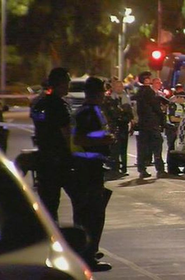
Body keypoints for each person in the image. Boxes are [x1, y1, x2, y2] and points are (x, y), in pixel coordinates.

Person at [71, 76, 115, 272]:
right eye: (103, 93)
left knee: (92, 212)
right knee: (92, 215)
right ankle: (87, 256)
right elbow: (80, 138)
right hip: (87, 168)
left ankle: (89, 251)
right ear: (97, 94)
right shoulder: (87, 113)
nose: (105, 96)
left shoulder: (91, 111)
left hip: (93, 166)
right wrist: (104, 140)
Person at [30, 67, 74, 221]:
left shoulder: (40, 103)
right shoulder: (58, 105)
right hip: (60, 159)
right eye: (67, 82)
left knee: (49, 205)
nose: (69, 85)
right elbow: (66, 133)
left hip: (44, 158)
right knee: (81, 198)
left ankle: (49, 234)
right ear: (60, 83)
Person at [132, 71, 168, 179]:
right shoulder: (149, 92)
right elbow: (155, 107)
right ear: (146, 79)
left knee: (143, 147)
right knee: (157, 146)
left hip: (143, 124)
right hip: (152, 123)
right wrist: (162, 117)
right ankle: (160, 170)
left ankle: (142, 169)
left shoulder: (139, 92)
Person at [102, 78, 134, 178]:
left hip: (123, 125)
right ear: (113, 87)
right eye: (117, 86)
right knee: (115, 148)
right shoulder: (109, 99)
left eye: (121, 86)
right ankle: (115, 168)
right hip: (114, 126)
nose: (120, 88)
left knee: (123, 148)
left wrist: (130, 122)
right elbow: (111, 113)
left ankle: (123, 168)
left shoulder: (126, 97)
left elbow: (129, 113)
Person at [166, 86, 185, 175]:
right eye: (183, 98)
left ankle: (176, 167)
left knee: (177, 148)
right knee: (172, 148)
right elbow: (172, 118)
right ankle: (171, 168)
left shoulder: (183, 106)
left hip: (179, 129)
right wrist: (184, 120)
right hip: (172, 129)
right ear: (178, 97)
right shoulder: (173, 105)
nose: (184, 100)